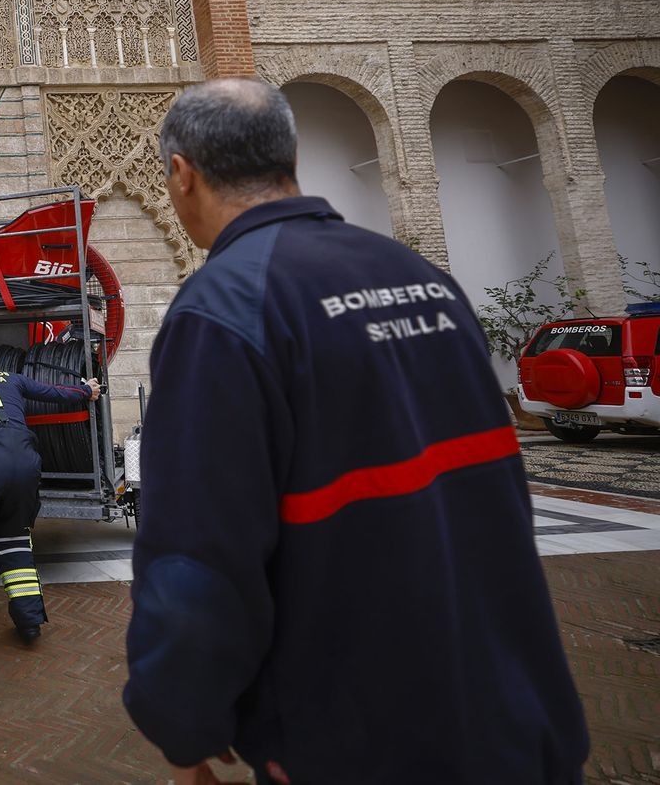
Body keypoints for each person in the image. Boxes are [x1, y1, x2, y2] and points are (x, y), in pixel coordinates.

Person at [121, 78, 588, 785]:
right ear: (290, 157)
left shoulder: (224, 310)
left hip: (360, 736)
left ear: (182, 175)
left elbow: (198, 562)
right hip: (516, 715)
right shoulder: (422, 279)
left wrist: (186, 723)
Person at [0, 338, 99, 669]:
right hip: (26, 467)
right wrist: (87, 391)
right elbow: (53, 393)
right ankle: (29, 621)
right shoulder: (12, 379)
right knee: (14, 541)